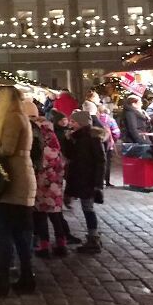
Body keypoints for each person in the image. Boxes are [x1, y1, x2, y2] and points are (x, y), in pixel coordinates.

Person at [0, 86, 37, 296]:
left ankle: (3, 279)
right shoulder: (18, 116)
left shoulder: (13, 118)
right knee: (20, 232)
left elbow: (6, 149)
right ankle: (25, 277)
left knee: (6, 231)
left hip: (14, 180)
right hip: (18, 178)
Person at [24, 102, 68, 257]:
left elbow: (33, 154)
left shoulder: (32, 129)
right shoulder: (49, 129)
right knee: (55, 213)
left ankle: (44, 246)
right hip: (55, 176)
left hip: (41, 176)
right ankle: (61, 244)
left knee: (40, 213)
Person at [64, 110, 106, 254]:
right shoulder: (77, 137)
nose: (71, 124)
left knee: (88, 209)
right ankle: (93, 237)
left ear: (81, 123)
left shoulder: (91, 138)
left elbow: (100, 161)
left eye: (73, 122)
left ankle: (93, 238)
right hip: (81, 178)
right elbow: (70, 156)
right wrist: (68, 140)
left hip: (88, 180)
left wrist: (98, 184)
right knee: (87, 208)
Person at [97, 105, 121, 187]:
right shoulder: (110, 120)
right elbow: (116, 132)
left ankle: (98, 180)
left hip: (97, 143)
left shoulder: (95, 119)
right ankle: (107, 181)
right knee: (107, 162)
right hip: (107, 143)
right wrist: (113, 140)